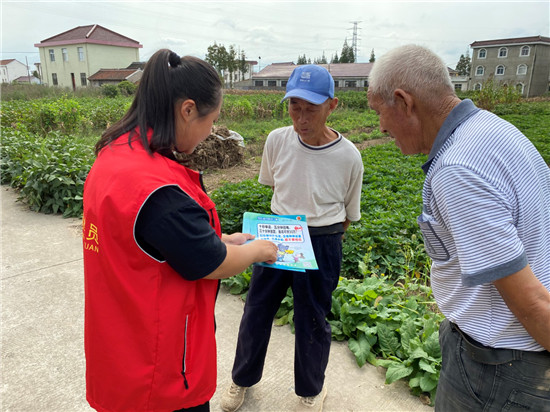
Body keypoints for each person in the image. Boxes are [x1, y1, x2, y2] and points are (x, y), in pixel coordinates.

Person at [82, 49, 278, 412]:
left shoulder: (116, 155)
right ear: (188, 110)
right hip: (159, 372)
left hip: (120, 346)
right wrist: (259, 250)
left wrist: (219, 238)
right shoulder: (157, 189)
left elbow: (154, 241)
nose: (209, 134)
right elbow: (212, 263)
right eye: (211, 121)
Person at [367, 44, 550, 411]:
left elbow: (531, 301)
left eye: (378, 112)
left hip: (499, 368)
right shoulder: (493, 129)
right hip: (513, 359)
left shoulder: (458, 170)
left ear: (404, 101)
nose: (381, 126)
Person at [221, 65, 364, 412]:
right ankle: (241, 380)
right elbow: (274, 185)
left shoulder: (349, 156)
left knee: (313, 318)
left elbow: (348, 216)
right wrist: (289, 227)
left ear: (332, 105)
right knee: (256, 311)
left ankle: (311, 389)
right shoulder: (276, 140)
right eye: (294, 107)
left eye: (310, 108)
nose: (301, 117)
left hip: (322, 240)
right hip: (278, 233)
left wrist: (315, 233)